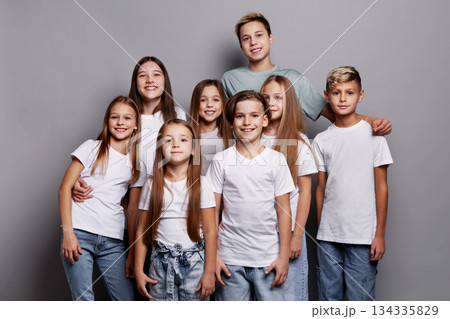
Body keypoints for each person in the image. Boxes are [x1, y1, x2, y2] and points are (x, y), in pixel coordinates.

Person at [72, 56, 186, 280]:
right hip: (132, 209)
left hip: (170, 208)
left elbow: (188, 157)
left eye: (156, 74)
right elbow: (103, 153)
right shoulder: (128, 117)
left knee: (166, 280)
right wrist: (76, 180)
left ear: (166, 81)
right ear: (135, 82)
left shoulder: (177, 115)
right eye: (142, 75)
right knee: (136, 275)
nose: (149, 80)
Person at [221, 12, 392, 135]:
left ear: (270, 37)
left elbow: (332, 114)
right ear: (241, 45)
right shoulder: (229, 80)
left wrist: (370, 121)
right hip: (246, 162)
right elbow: (220, 125)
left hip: (286, 158)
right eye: (246, 38)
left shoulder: (294, 79)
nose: (253, 42)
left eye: (259, 35)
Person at [313, 66, 393, 301]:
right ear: (327, 97)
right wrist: (321, 229)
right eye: (337, 93)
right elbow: (321, 188)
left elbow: (382, 187)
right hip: (329, 237)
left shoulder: (374, 135)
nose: (343, 98)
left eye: (350, 92)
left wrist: (379, 234)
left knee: (360, 300)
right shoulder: (321, 140)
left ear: (361, 95)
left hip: (362, 237)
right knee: (329, 299)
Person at [207, 90, 295, 301]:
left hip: (268, 258)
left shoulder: (276, 160)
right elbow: (211, 211)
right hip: (229, 259)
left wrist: (283, 256)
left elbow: (284, 211)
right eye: (240, 116)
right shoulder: (221, 161)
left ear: (265, 120)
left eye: (254, 115)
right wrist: (214, 257)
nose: (247, 122)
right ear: (231, 122)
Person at [58, 96, 145, 300]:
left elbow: (132, 210)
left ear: (135, 125)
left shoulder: (136, 164)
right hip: (80, 234)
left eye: (127, 118)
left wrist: (131, 251)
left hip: (113, 241)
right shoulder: (91, 148)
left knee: (125, 300)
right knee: (84, 298)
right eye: (115, 117)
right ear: (107, 121)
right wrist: (68, 234)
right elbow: (64, 189)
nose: (120, 122)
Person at [134, 119, 217, 301]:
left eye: (183, 140)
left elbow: (210, 231)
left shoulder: (203, 184)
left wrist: (209, 271)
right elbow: (142, 231)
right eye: (168, 140)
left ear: (194, 149)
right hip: (159, 263)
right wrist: (138, 270)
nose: (176, 144)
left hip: (194, 263)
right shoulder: (151, 184)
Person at [260, 75, 318, 301]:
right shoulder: (250, 139)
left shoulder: (299, 142)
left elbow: (305, 192)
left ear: (289, 103)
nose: (271, 103)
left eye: (278, 98)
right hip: (260, 233)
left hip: (289, 231)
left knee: (291, 297)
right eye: (266, 97)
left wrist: (297, 235)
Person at [188, 79, 233, 175]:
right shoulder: (187, 136)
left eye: (216, 100)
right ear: (196, 104)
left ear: (222, 103)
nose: (209, 105)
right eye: (203, 100)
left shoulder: (231, 134)